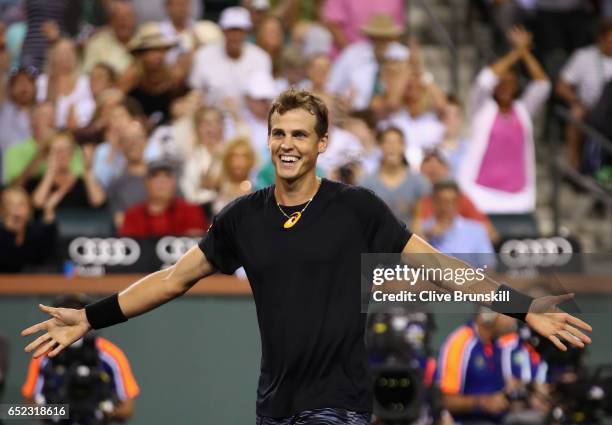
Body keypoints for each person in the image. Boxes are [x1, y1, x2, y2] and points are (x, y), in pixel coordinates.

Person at [22, 89, 592, 425]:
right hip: (273, 406)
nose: (286, 143)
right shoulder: (242, 216)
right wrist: (90, 318)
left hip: (339, 407)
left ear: (322, 143)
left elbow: (437, 266)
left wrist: (521, 308)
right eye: (278, 133)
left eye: (299, 133)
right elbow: (173, 279)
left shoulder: (358, 209)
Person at [459, 26, 551, 214]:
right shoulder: (481, 109)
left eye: (511, 83)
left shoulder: (522, 110)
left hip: (518, 196)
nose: (506, 87)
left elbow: (543, 85)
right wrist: (516, 52)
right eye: (501, 83)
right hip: (480, 192)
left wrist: (525, 53)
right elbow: (484, 79)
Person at [22, 294, 139, 424]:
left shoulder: (110, 355)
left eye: (77, 311)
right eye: (64, 316)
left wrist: (99, 411)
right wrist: (60, 411)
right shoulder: (45, 355)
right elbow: (29, 405)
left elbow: (128, 408)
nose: (71, 322)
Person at [437, 309, 513, 425]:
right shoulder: (461, 342)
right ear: (489, 315)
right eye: (508, 313)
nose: (512, 319)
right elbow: (445, 400)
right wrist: (483, 402)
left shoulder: (497, 345)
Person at [188, 6, 272, 107]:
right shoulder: (203, 56)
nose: (235, 36)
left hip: (248, 120)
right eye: (231, 30)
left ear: (247, 32)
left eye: (240, 30)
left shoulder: (261, 58)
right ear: (223, 31)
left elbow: (263, 98)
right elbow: (196, 92)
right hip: (212, 117)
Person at [556, 19, 612, 169]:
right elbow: (562, 86)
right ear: (600, 38)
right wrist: (575, 100)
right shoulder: (584, 56)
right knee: (576, 113)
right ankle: (574, 164)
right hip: (590, 108)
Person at [416, 148, 498, 244]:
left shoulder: (459, 198)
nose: (433, 166)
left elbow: (491, 234)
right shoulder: (414, 199)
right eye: (427, 161)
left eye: (439, 161)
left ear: (447, 168)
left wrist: (461, 237)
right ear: (420, 168)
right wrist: (427, 234)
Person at [120, 24, 190, 126]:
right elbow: (117, 98)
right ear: (141, 55)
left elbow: (188, 96)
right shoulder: (132, 76)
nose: (156, 55)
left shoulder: (174, 77)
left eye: (160, 50)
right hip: (137, 129)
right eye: (151, 51)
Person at [359, 126, 430, 226]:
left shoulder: (418, 182)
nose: (392, 147)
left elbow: (422, 219)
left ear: (403, 146)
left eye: (397, 143)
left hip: (409, 238)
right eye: (388, 142)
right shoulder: (367, 182)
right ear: (380, 146)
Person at [119, 159, 208, 237]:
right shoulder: (133, 216)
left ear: (174, 182)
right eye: (155, 176)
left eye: (167, 175)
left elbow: (197, 246)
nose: (162, 181)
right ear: (146, 182)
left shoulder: (191, 211)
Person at [3, 102, 84, 187]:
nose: (51, 121)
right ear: (32, 122)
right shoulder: (15, 151)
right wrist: (41, 152)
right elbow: (14, 187)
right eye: (45, 116)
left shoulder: (71, 147)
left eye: (53, 116)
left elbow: (78, 180)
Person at [27, 131, 106, 211]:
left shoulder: (83, 182)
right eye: (57, 150)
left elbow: (99, 203)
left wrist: (87, 170)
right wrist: (50, 173)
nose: (62, 154)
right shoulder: (35, 182)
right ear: (47, 155)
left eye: (67, 149)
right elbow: (36, 205)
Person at [421, 181, 494, 264]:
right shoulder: (421, 230)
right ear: (433, 202)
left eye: (451, 202)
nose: (446, 207)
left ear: (458, 203)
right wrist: (427, 237)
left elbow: (488, 266)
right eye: (442, 201)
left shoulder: (476, 230)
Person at [36, 38, 95, 129]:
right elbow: (42, 111)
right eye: (61, 53)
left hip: (82, 131)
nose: (66, 57)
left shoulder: (86, 81)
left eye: (70, 52)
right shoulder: (41, 82)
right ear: (52, 56)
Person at [0, 186, 57, 272]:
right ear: (2, 210)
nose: (16, 209)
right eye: (10, 204)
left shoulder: (37, 233)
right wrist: (9, 232)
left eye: (21, 204)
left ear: (29, 209)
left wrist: (48, 211)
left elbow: (48, 261)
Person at [82, 0, 136, 74]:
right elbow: (89, 75)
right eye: (118, 18)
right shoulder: (96, 44)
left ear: (134, 20)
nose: (123, 22)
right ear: (111, 21)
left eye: (127, 17)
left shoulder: (144, 42)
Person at [212, 137, 256, 215]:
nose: (238, 161)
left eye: (244, 156)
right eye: (234, 156)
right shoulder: (218, 187)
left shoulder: (257, 188)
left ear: (251, 161)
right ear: (227, 160)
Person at [0, 67, 37, 157]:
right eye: (19, 82)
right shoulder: (4, 111)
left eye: (29, 82)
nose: (24, 86)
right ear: (10, 88)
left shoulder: (41, 111)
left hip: (36, 167)